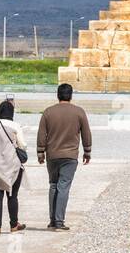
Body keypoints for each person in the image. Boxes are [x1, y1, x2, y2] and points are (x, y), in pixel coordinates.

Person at [36, 83, 91, 231]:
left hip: (52, 155)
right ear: (71, 95)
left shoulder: (48, 112)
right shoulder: (79, 112)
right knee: (63, 187)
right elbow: (86, 132)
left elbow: (42, 133)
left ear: (57, 95)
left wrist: (40, 152)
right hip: (70, 156)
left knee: (53, 185)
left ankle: (53, 220)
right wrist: (87, 151)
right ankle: (59, 221)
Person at [0, 99, 28, 236]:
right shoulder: (15, 125)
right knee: (12, 196)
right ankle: (14, 225)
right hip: (13, 165)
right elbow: (22, 145)